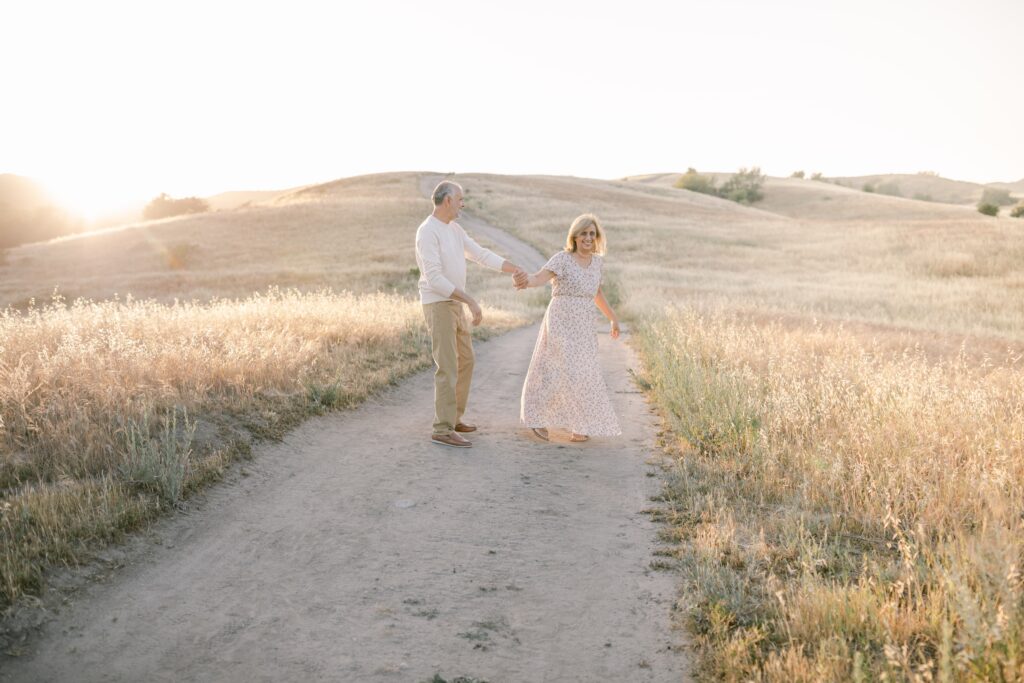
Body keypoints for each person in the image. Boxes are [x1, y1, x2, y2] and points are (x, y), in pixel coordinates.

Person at [415, 180, 528, 448]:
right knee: (448, 365)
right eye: (460, 199)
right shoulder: (427, 232)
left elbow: (481, 255)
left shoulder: (454, 229)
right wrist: (470, 301)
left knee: (466, 360)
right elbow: (434, 279)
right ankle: (441, 429)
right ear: (447, 201)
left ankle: (453, 419)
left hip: (454, 303)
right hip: (438, 304)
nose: (463, 204)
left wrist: (515, 268)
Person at [516, 213, 622, 442]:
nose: (588, 238)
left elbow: (597, 293)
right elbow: (538, 278)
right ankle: (537, 418)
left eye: (592, 234)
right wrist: (526, 281)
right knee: (554, 369)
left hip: (584, 324)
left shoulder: (598, 263)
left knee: (583, 372)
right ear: (574, 236)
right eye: (584, 233)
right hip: (560, 321)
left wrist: (612, 317)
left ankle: (580, 424)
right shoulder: (562, 259)